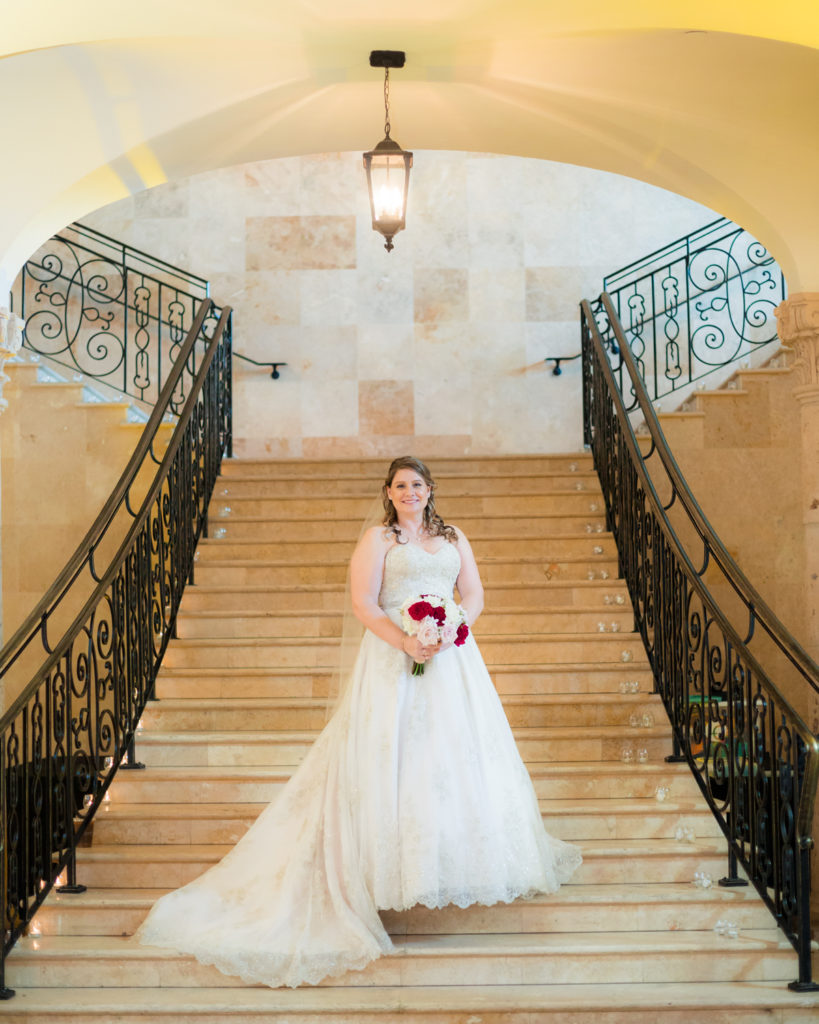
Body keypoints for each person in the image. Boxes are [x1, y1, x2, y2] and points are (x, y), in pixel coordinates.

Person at [135, 456, 582, 986]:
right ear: (388, 492)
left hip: (453, 659)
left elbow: (476, 594)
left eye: (417, 484)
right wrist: (409, 640)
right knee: (391, 754)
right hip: (394, 657)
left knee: (456, 757)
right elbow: (364, 604)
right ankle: (386, 868)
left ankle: (450, 860)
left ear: (430, 489)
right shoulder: (378, 540)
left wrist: (452, 628)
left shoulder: (455, 536)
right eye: (400, 485)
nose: (409, 492)